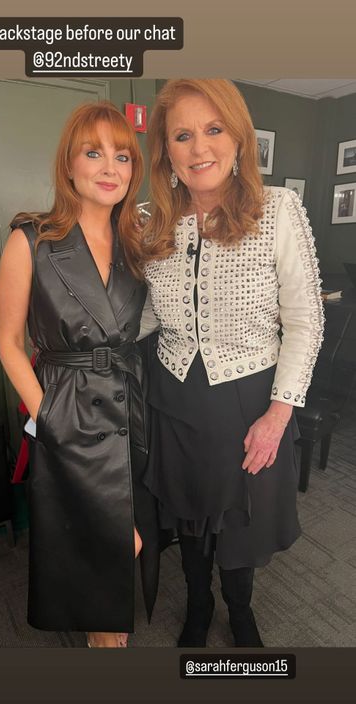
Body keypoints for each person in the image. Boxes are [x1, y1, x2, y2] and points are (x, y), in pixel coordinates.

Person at [140, 79, 324, 648]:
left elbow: (304, 319)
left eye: (213, 130)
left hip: (248, 401)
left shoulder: (279, 210)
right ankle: (198, 606)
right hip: (174, 397)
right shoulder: (150, 221)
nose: (200, 149)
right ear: (166, 152)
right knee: (189, 518)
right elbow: (143, 315)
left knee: (239, 523)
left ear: (239, 139)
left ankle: (239, 611)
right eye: (183, 135)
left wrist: (278, 414)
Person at [0, 101, 159, 648]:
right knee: (98, 540)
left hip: (128, 403)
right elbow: (8, 342)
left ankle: (110, 634)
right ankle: (103, 640)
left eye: (123, 156)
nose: (111, 167)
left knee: (122, 536)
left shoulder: (136, 244)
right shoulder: (32, 239)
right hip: (67, 404)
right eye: (94, 153)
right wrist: (47, 415)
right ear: (69, 165)